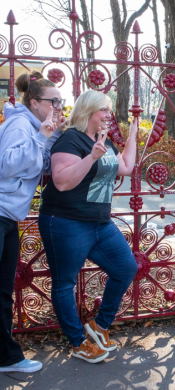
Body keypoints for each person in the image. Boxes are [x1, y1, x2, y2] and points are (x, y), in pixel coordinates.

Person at [38, 90, 138, 364]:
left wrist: (133, 136)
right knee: (64, 284)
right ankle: (78, 342)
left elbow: (126, 167)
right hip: (66, 222)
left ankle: (99, 326)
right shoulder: (71, 140)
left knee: (126, 268)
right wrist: (92, 157)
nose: (109, 114)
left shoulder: (101, 139)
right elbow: (61, 181)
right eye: (103, 110)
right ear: (88, 111)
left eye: (109, 110)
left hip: (99, 223)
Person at [0, 71, 66, 373]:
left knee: (3, 290)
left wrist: (52, 137)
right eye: (54, 102)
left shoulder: (36, 126)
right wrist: (42, 137)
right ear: (35, 102)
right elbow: (6, 164)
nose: (58, 106)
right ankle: (9, 357)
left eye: (61, 102)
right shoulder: (18, 125)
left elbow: (40, 164)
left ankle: (6, 358)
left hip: (8, 216)